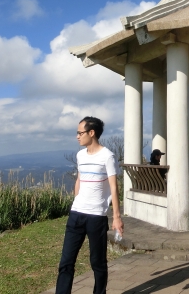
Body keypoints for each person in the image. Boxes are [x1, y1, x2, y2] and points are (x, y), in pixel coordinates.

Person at [56, 116, 123, 294]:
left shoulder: (108, 156)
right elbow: (79, 179)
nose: (77, 136)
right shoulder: (80, 155)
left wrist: (116, 218)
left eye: (80, 133)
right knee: (66, 262)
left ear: (91, 133)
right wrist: (76, 200)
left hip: (96, 216)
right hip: (76, 214)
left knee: (98, 263)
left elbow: (114, 188)